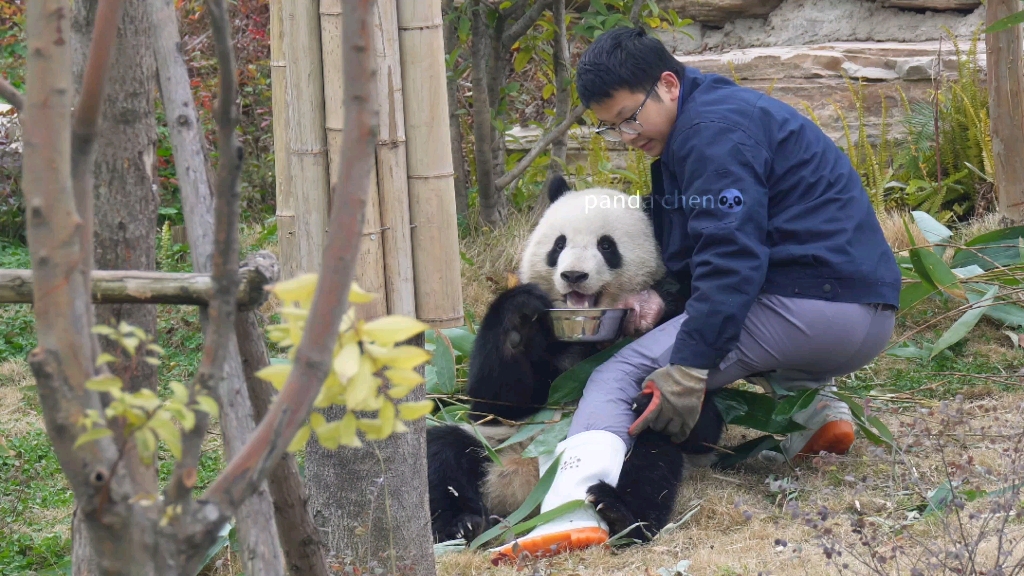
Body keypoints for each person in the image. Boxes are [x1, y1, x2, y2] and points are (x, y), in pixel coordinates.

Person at [498, 25, 901, 560]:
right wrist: (663, 298)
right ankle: (817, 416)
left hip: (813, 311)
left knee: (617, 375)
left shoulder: (711, 135)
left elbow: (731, 261)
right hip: (867, 316)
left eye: (629, 118)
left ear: (667, 84)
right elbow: (709, 247)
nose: (627, 137)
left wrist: (688, 366)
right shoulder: (718, 117)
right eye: (611, 128)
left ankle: (571, 511)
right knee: (727, 324)